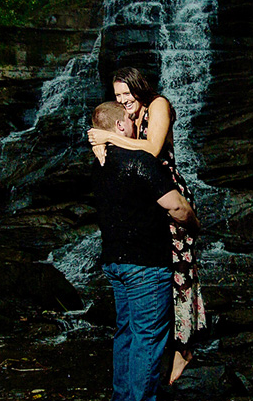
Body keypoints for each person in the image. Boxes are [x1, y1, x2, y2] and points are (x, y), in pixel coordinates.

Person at [87, 67, 205, 384]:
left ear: (141, 87)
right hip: (144, 197)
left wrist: (107, 137)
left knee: (180, 273)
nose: (124, 100)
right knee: (156, 279)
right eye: (118, 96)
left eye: (128, 93)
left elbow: (152, 150)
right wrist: (101, 146)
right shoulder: (125, 119)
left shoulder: (158, 105)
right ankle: (165, 350)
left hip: (166, 192)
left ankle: (184, 348)